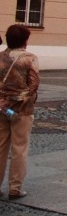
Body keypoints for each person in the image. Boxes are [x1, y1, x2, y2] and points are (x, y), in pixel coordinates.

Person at [0, 24, 40, 199]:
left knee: (0, 147)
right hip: (22, 110)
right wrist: (17, 99)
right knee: (19, 148)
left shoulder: (0, 57)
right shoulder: (29, 58)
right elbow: (33, 85)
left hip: (1, 107)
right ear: (25, 41)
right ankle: (15, 187)